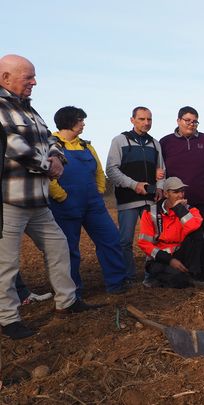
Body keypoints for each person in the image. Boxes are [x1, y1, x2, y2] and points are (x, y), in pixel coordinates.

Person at [0, 54, 98, 340]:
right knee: (6, 263)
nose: (34, 82)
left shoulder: (29, 110)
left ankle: (67, 302)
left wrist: (56, 157)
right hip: (9, 201)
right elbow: (13, 147)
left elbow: (50, 139)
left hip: (39, 202)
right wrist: (49, 164)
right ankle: (7, 318)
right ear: (5, 78)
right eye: (28, 77)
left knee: (58, 248)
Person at [49, 106, 128, 297]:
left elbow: (99, 172)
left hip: (93, 204)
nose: (83, 123)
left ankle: (116, 283)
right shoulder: (50, 144)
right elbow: (46, 173)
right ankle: (73, 291)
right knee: (68, 249)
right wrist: (61, 195)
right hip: (65, 205)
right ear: (69, 121)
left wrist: (99, 191)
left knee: (111, 239)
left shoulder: (86, 145)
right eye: (80, 120)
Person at [160, 106, 204, 282]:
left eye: (195, 121)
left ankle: (201, 273)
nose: (191, 124)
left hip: (203, 198)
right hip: (177, 202)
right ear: (178, 121)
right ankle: (182, 272)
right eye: (187, 120)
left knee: (202, 236)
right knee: (180, 237)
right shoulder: (165, 142)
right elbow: (158, 164)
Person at [106, 106, 165, 283]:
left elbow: (161, 169)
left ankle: (151, 275)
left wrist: (160, 187)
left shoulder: (155, 144)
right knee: (124, 241)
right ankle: (128, 276)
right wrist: (134, 185)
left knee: (153, 239)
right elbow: (111, 170)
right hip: (128, 200)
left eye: (149, 119)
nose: (146, 123)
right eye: (142, 119)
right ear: (132, 120)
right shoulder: (120, 140)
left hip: (150, 200)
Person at [137, 177, 204, 288]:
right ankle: (180, 279)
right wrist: (170, 260)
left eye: (182, 191)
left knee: (198, 233)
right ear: (166, 194)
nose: (181, 195)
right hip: (159, 258)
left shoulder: (190, 210)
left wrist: (179, 209)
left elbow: (195, 229)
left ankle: (190, 276)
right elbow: (144, 243)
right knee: (176, 278)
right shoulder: (150, 212)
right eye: (176, 192)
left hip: (181, 255)